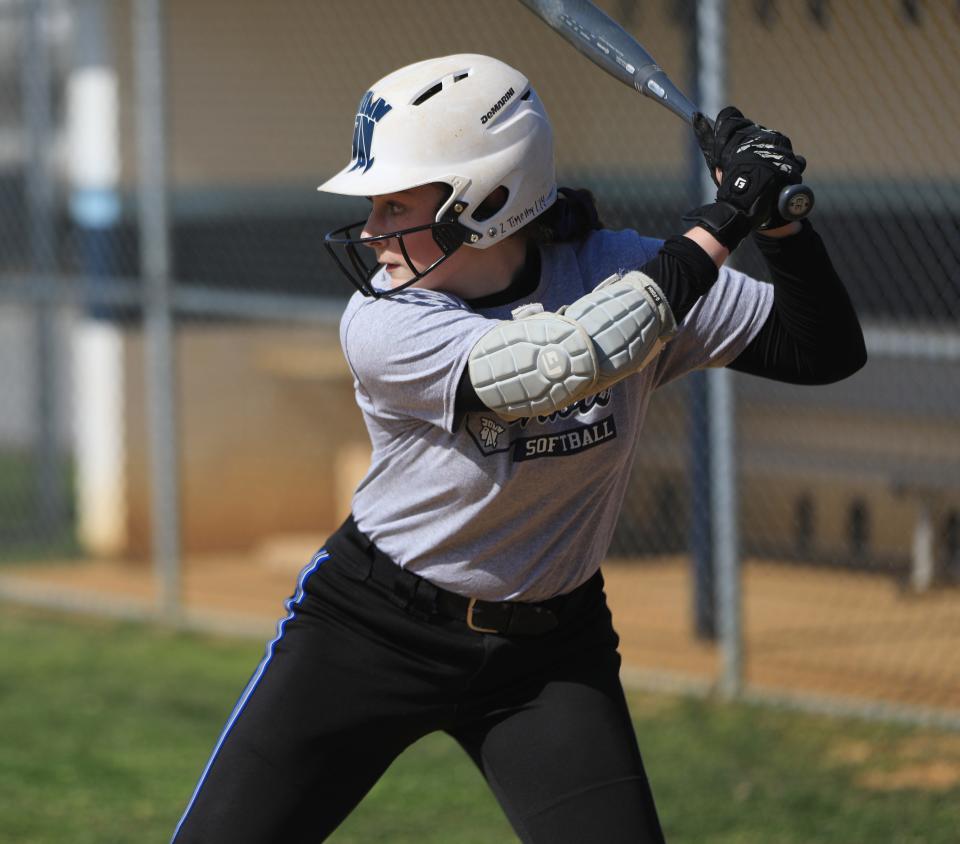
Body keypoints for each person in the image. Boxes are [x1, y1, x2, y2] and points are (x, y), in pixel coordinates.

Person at [171, 54, 866, 843]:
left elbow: (824, 351)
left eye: (395, 203)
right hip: (373, 627)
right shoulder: (386, 322)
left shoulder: (617, 267)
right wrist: (722, 222)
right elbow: (554, 366)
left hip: (547, 654)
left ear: (486, 201)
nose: (370, 233)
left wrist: (777, 223)